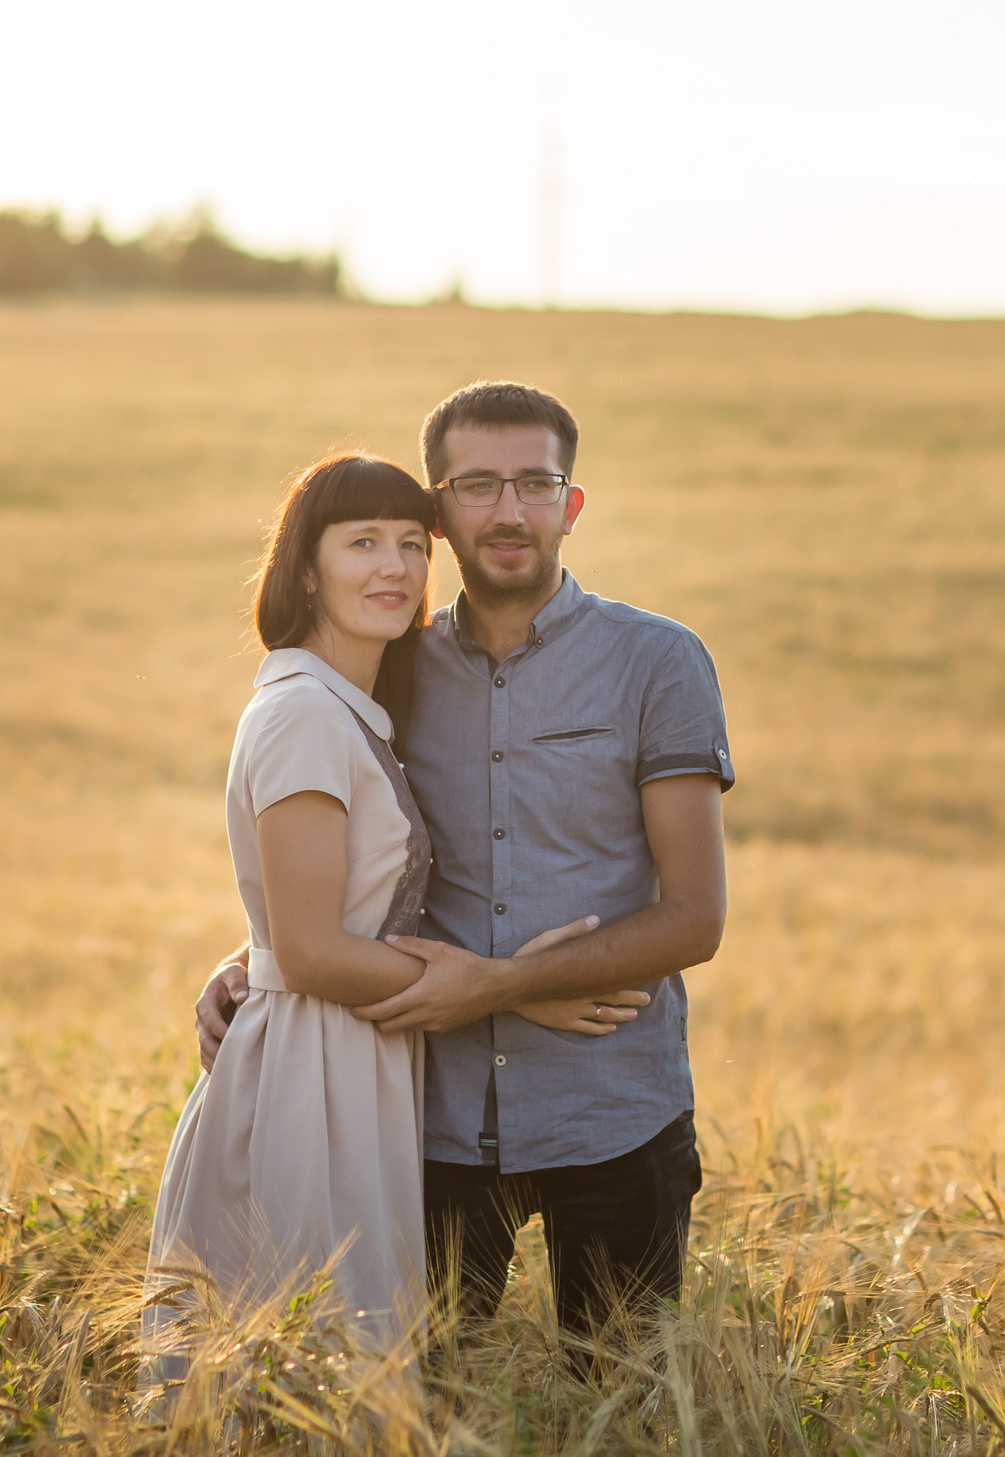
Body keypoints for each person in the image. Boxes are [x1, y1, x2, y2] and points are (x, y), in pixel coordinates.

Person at [196, 381, 733, 1355]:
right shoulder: (392, 663)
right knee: (421, 1407)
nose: (509, 510)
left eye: (535, 483)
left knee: (623, 1404)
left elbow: (694, 919)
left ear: (570, 504)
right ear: (439, 514)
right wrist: (254, 957)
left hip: (611, 1108)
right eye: (478, 485)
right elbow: (347, 856)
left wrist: (503, 984)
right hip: (425, 1124)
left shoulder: (656, 663)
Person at [143, 450, 637, 1377]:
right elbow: (313, 948)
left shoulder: (351, 707)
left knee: (345, 1368)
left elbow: (311, 919)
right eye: (361, 541)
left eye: (413, 543)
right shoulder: (305, 715)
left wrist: (252, 957)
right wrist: (512, 993)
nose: (395, 568)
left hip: (356, 1062)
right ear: (304, 568)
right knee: (309, 1365)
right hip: (309, 1080)